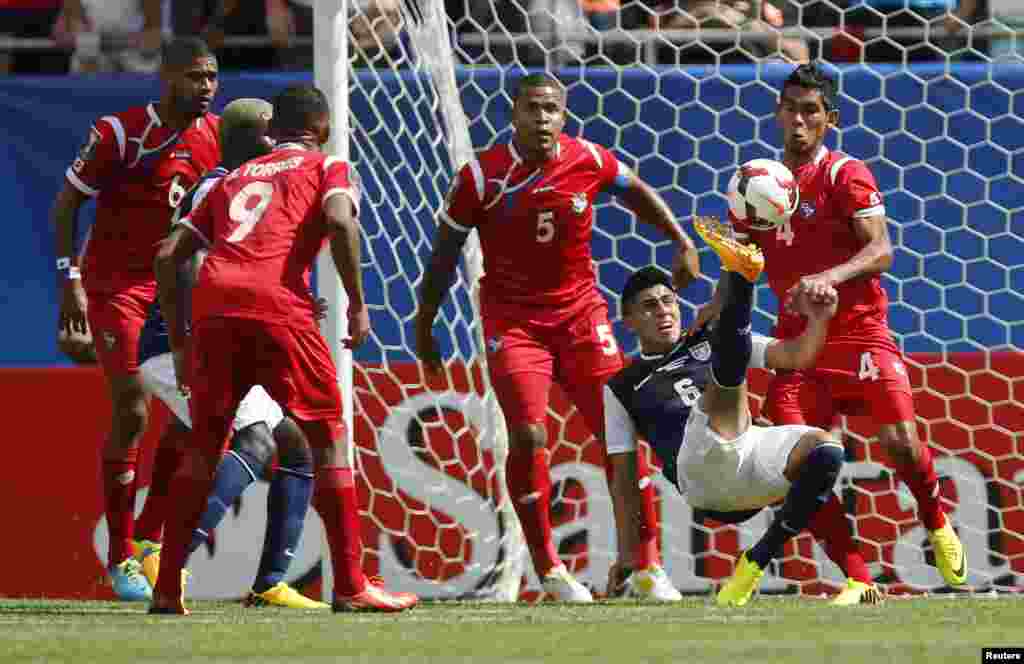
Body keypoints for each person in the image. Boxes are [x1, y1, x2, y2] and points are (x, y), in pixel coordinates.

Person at [414, 73, 701, 602]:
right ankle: (549, 569)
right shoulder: (482, 177)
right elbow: (444, 252)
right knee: (528, 435)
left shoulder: (587, 159)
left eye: (551, 109)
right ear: (514, 114)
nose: (542, 119)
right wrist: (424, 322)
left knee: (624, 432)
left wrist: (681, 241)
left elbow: (635, 189)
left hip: (580, 316)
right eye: (532, 109)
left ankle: (646, 565)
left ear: (563, 116)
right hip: (514, 323)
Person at [152, 84, 417, 614]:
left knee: (206, 445)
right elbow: (341, 220)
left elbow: (166, 256)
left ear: (274, 133)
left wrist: (180, 341)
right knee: (327, 441)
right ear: (323, 128)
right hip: (279, 311)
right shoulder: (328, 166)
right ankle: (350, 585)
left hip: (213, 313)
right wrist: (358, 303)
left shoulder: (230, 180)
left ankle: (165, 589)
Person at [712, 63, 966, 588]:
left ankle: (936, 519)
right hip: (800, 348)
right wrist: (703, 322)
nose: (799, 120)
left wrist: (829, 275)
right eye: (791, 109)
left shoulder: (844, 174)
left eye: (811, 111)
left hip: (860, 334)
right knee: (802, 463)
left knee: (898, 442)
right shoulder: (756, 185)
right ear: (778, 113)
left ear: (830, 118)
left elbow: (881, 248)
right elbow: (737, 271)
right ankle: (858, 580)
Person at [607, 221, 884, 607]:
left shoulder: (707, 342)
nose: (664, 312)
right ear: (629, 321)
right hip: (702, 477)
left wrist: (819, 321)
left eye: (669, 301)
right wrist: (627, 554)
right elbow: (623, 480)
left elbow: (795, 356)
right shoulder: (621, 385)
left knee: (826, 450)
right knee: (724, 377)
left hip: (747, 463)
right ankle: (741, 272)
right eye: (649, 306)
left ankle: (755, 561)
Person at [133, 98, 326, 609]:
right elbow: (186, 266)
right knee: (258, 442)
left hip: (221, 337)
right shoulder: (222, 185)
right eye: (273, 134)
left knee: (295, 445)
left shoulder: (238, 183)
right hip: (187, 344)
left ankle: (270, 583)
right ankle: (160, 559)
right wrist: (188, 343)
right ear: (260, 138)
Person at [52, 37, 220, 601]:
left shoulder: (215, 137)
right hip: (114, 287)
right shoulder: (120, 132)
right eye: (196, 76)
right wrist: (69, 283)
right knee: (132, 406)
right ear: (168, 76)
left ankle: (148, 537)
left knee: (197, 411)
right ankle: (121, 556)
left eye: (213, 76)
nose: (206, 87)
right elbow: (66, 205)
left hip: (173, 292)